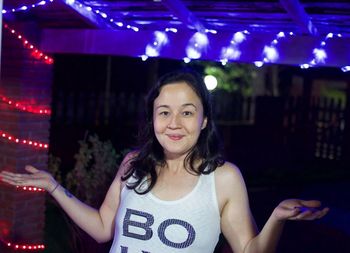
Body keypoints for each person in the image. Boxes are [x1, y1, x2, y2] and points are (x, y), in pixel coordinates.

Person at [0, 70, 329, 253]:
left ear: (203, 121)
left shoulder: (223, 177)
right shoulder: (133, 164)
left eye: (187, 112)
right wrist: (54, 186)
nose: (174, 123)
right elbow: (102, 229)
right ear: (153, 119)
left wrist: (277, 218)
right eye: (164, 112)